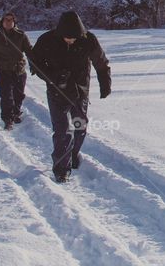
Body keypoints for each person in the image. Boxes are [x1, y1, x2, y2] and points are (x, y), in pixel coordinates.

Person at [30, 11, 111, 183]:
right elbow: (34, 63)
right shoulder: (47, 40)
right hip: (56, 93)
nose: (70, 40)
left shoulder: (89, 40)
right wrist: (53, 76)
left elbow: (101, 62)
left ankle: (73, 154)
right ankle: (61, 169)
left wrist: (105, 84)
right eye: (66, 38)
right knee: (62, 131)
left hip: (80, 92)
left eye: (73, 38)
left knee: (80, 126)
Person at [0, 12, 33, 130]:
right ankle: (7, 119)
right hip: (3, 71)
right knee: (6, 96)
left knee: (18, 95)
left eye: (11, 20)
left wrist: (35, 65)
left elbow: (29, 51)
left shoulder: (21, 35)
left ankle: (16, 113)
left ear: (14, 22)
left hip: (19, 71)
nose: (8, 22)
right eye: (6, 20)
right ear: (2, 22)